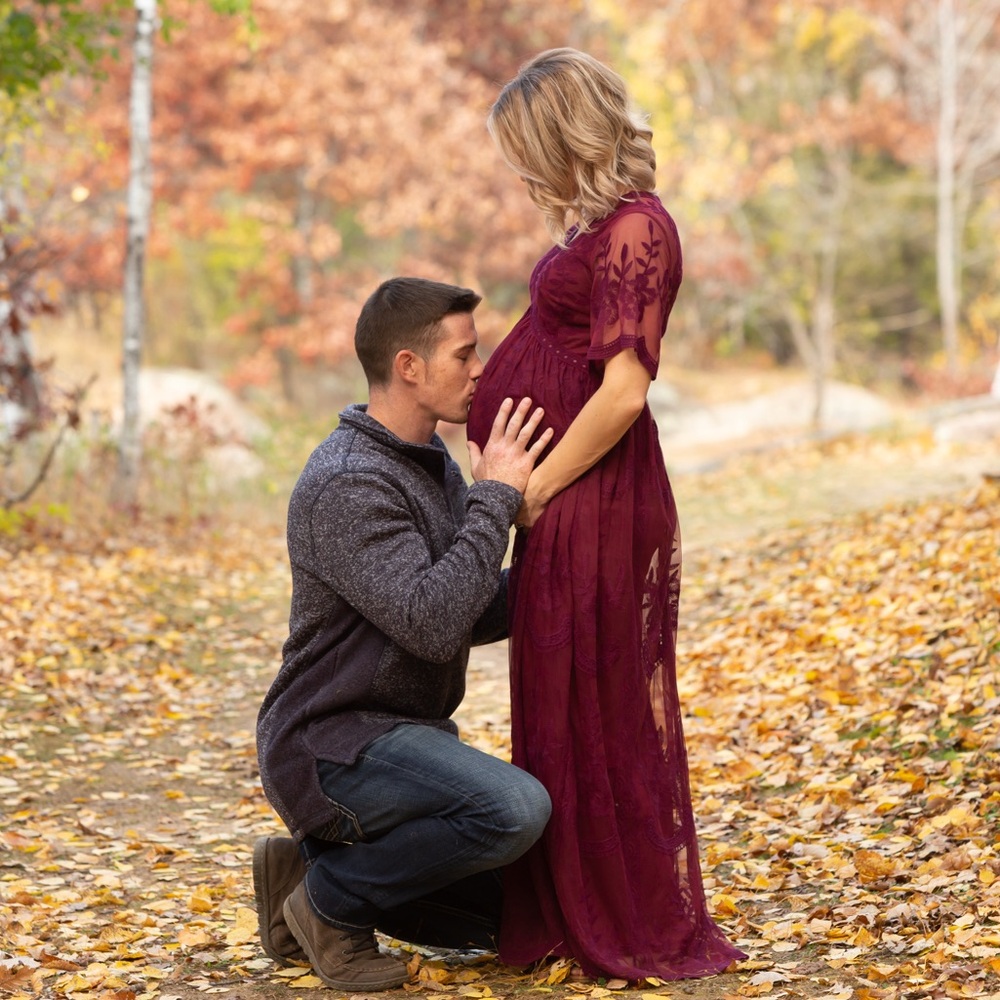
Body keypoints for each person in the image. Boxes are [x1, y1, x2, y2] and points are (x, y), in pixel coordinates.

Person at [465, 49, 746, 981]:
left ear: (561, 136)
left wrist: (534, 487)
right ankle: (565, 903)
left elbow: (623, 391)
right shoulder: (601, 227)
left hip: (596, 492)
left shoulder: (637, 231)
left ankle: (619, 912)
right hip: (571, 492)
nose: (518, 173)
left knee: (601, 698)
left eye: (524, 151)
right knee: (561, 696)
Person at [254, 277, 554, 991]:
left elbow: (470, 606)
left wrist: (566, 582)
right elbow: (430, 622)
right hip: (333, 744)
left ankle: (307, 875)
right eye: (465, 354)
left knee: (519, 921)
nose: (480, 369)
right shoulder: (348, 482)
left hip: (399, 740)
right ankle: (329, 906)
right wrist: (497, 500)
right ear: (409, 367)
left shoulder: (431, 466)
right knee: (515, 811)